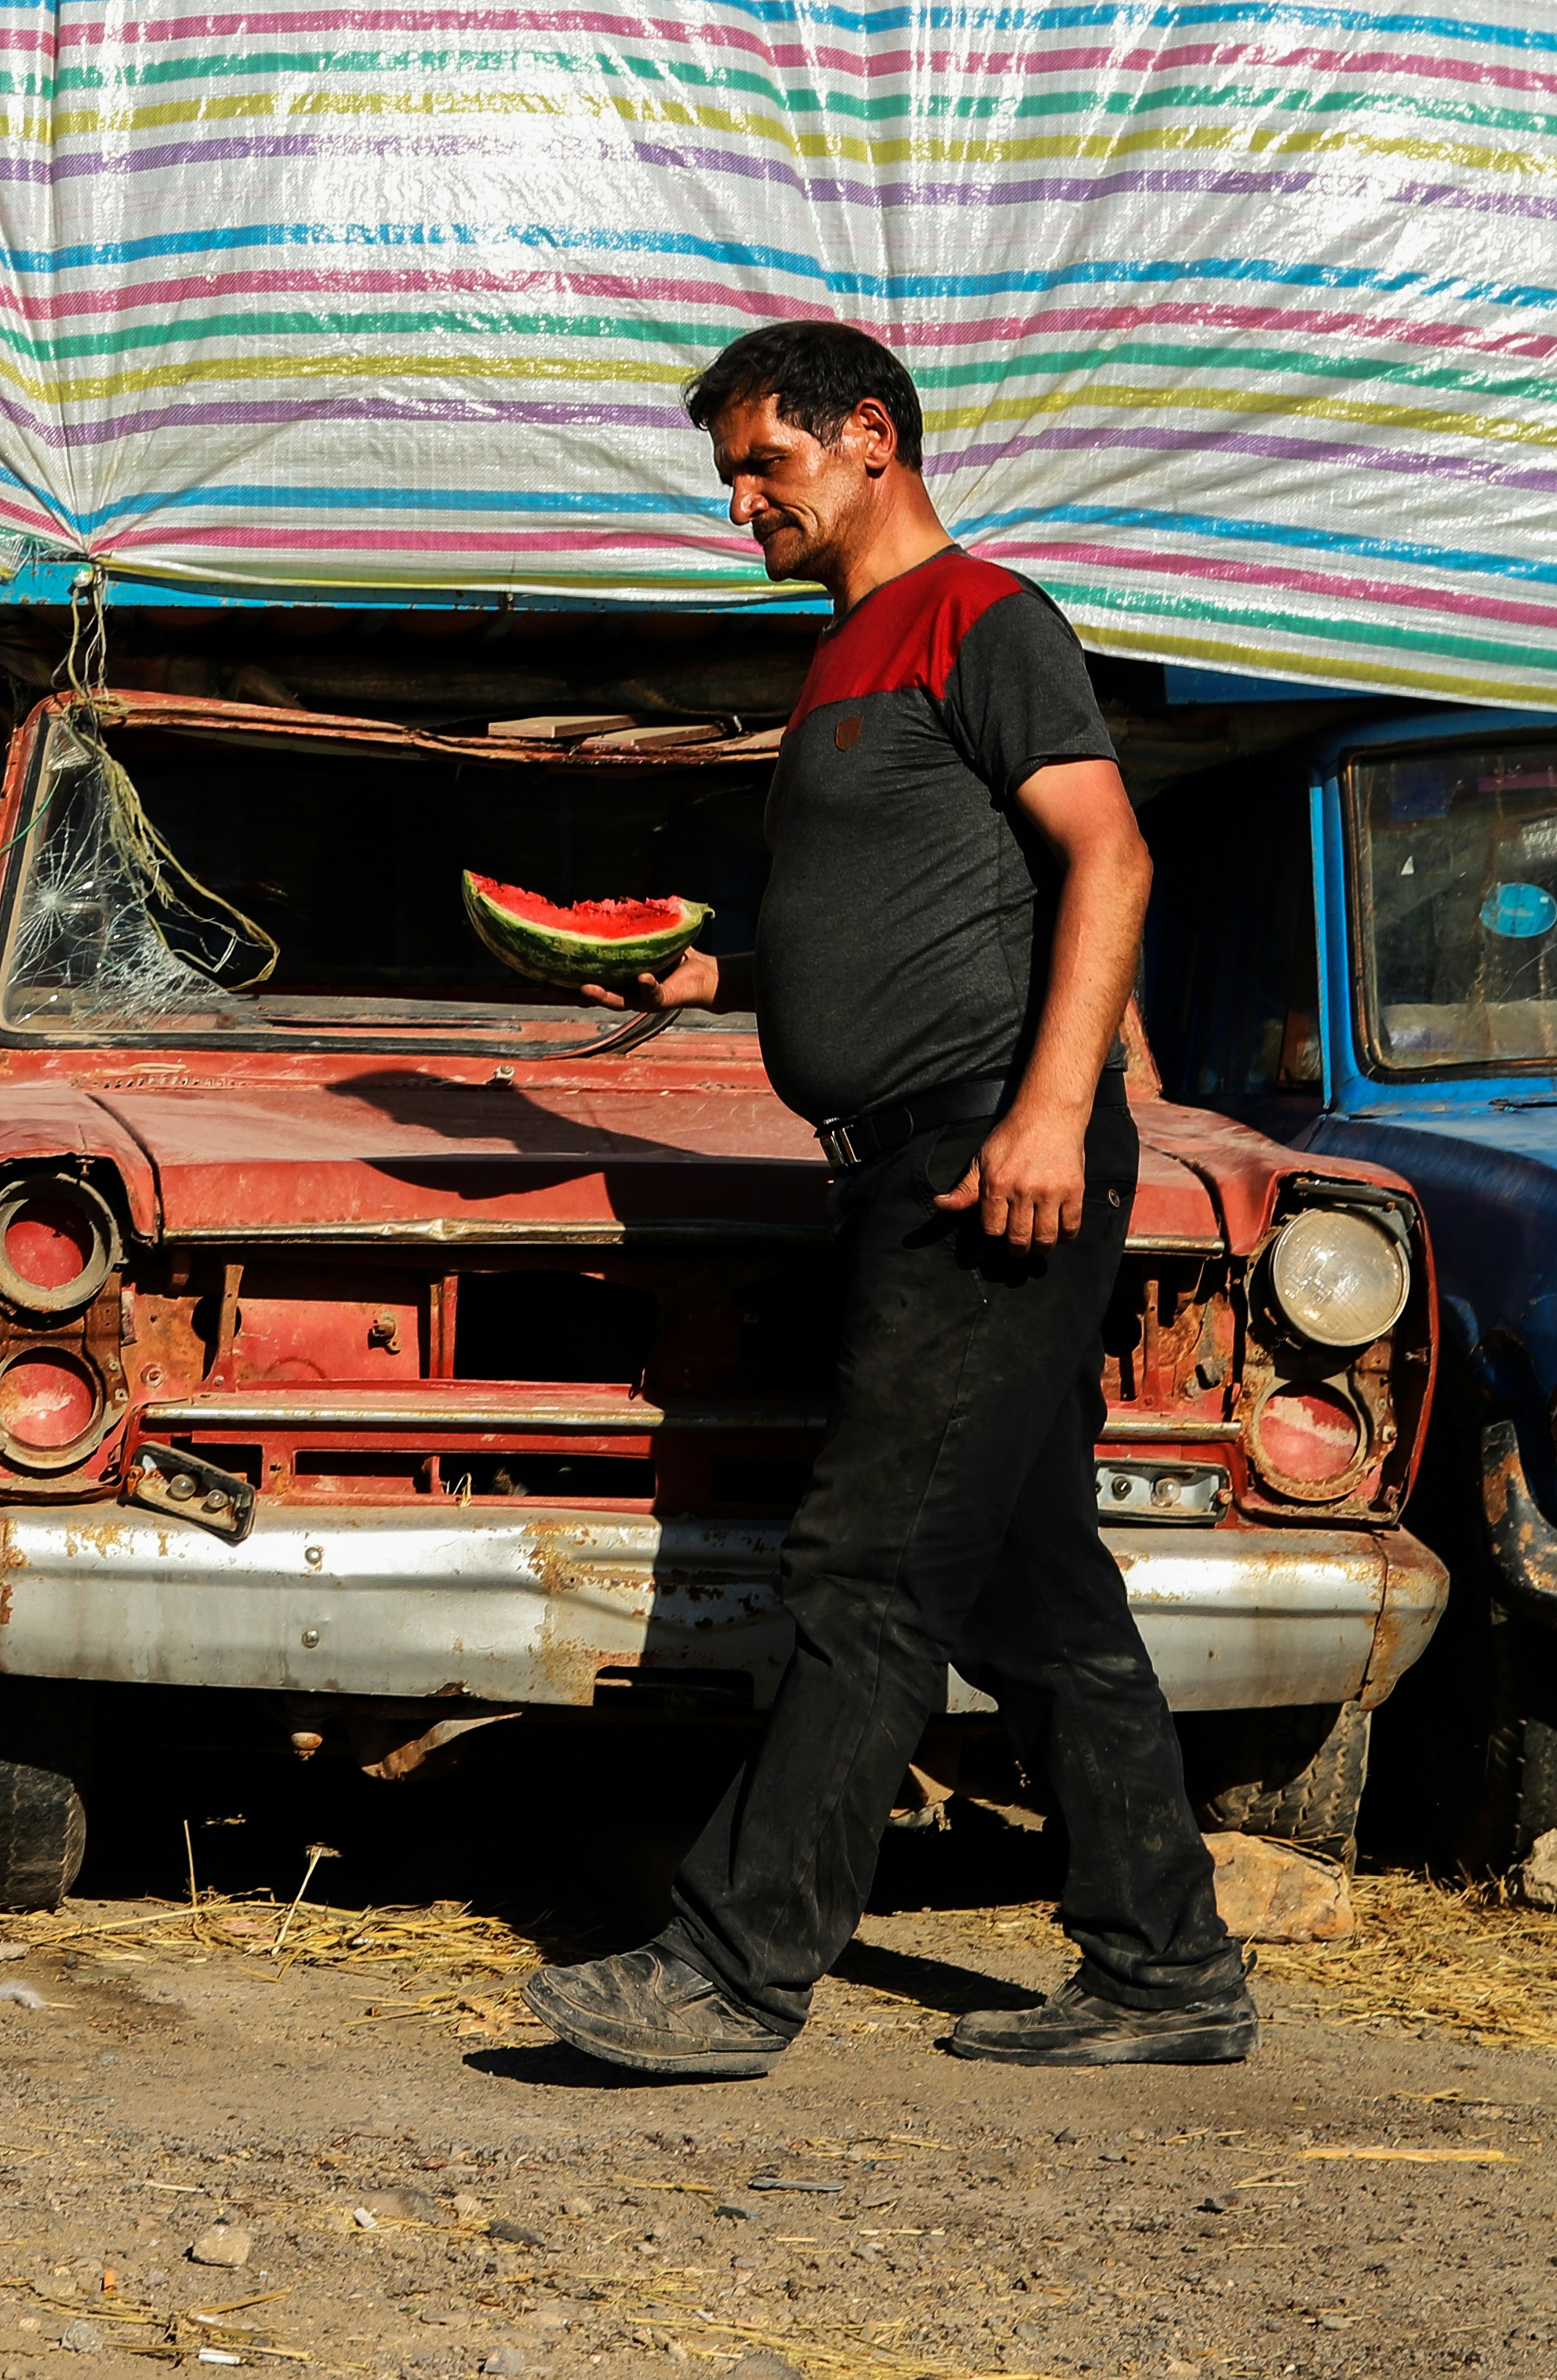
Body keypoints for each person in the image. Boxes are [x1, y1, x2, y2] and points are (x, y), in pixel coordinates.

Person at [519, 318, 1250, 2079]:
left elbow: (1111, 851)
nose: (743, 504)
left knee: (864, 1564)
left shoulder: (986, 616)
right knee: (1029, 1590)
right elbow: (902, 931)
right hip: (914, 1157)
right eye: (730, 480)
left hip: (988, 1157)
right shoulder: (850, 655)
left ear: (869, 435)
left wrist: (1054, 1112)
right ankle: (1168, 1966)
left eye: (762, 465)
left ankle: (732, 1967)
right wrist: (724, 985)